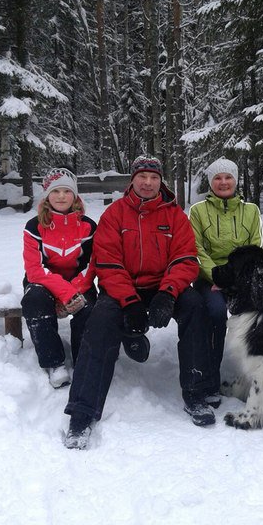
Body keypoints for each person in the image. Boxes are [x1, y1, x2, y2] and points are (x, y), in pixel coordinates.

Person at [64, 156, 215, 449]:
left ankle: (196, 393)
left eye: (154, 178)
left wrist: (168, 293)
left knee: (196, 307)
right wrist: (130, 302)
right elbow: (107, 262)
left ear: (161, 181)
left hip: (163, 286)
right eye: (142, 177)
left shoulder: (175, 216)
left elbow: (185, 259)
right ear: (132, 180)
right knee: (99, 322)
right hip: (123, 287)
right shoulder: (115, 214)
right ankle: (82, 412)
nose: (148, 183)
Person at [189, 157, 263, 403]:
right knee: (216, 312)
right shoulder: (198, 211)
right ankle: (210, 380)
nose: (223, 182)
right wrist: (217, 277)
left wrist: (238, 281)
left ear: (236, 180)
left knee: (260, 315)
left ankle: (257, 380)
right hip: (209, 278)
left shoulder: (251, 211)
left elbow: (255, 249)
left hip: (243, 279)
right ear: (211, 182)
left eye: (228, 177)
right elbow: (196, 250)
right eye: (217, 178)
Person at [21, 167, 97, 388]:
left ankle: (82, 361)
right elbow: (34, 270)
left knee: (89, 308)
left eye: (66, 191)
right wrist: (64, 293)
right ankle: (54, 362)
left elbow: (93, 266)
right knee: (34, 301)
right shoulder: (34, 226)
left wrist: (74, 291)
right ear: (47, 195)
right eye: (55, 191)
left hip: (79, 282)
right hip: (42, 283)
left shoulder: (89, 226)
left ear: (75, 195)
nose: (61, 196)